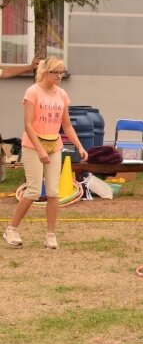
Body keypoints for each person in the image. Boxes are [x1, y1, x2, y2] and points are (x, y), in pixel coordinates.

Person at [4, 57, 89, 249]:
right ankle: (11, 229)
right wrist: (40, 149)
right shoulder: (32, 92)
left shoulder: (62, 94)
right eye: (55, 72)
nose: (59, 76)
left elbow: (66, 125)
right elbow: (27, 124)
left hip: (54, 145)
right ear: (45, 73)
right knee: (34, 190)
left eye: (62, 72)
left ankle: (50, 234)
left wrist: (80, 146)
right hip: (33, 144)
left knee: (53, 191)